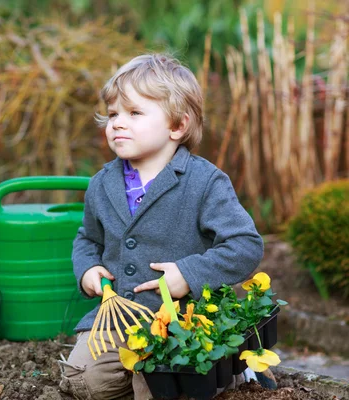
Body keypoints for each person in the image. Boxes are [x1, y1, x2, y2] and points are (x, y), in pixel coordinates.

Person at [58, 53, 265, 400]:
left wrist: (189, 274)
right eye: (113, 114)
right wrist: (88, 268)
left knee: (156, 383)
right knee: (84, 382)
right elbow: (87, 239)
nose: (118, 123)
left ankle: (224, 373)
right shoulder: (102, 184)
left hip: (183, 322)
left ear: (177, 126)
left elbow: (245, 244)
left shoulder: (204, 182)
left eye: (135, 113)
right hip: (119, 317)